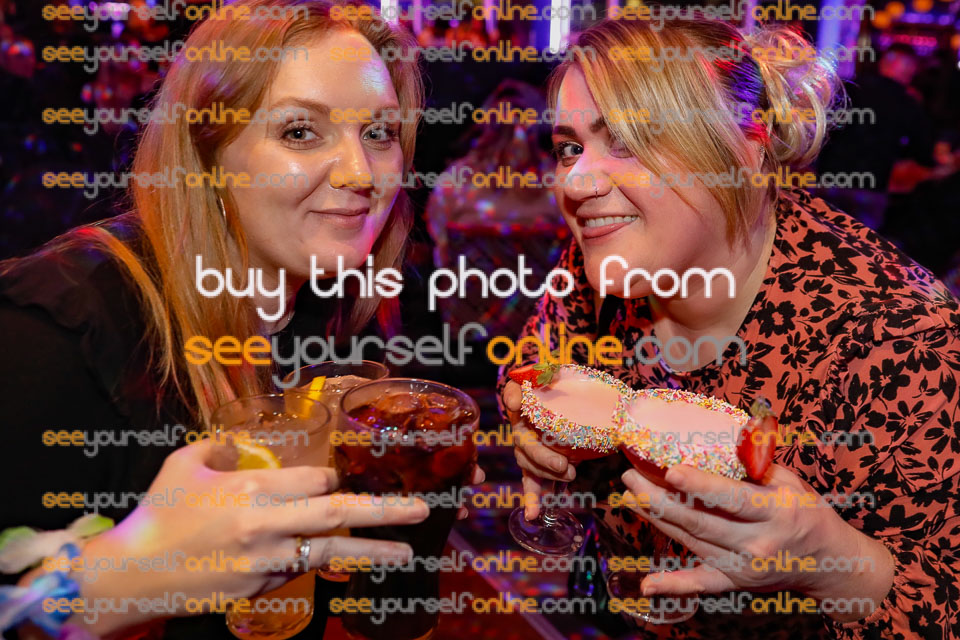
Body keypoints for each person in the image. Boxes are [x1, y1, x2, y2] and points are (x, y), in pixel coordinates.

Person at [498, 17, 960, 639]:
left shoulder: (903, 341)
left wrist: (832, 565)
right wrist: (531, 417)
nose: (576, 182)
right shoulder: (600, 262)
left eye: (629, 140)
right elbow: (531, 364)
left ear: (748, 146)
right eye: (568, 148)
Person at [0, 1, 433, 637]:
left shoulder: (341, 302)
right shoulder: (58, 329)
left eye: (379, 134)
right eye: (300, 132)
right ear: (208, 154)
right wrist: (123, 580)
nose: (360, 174)